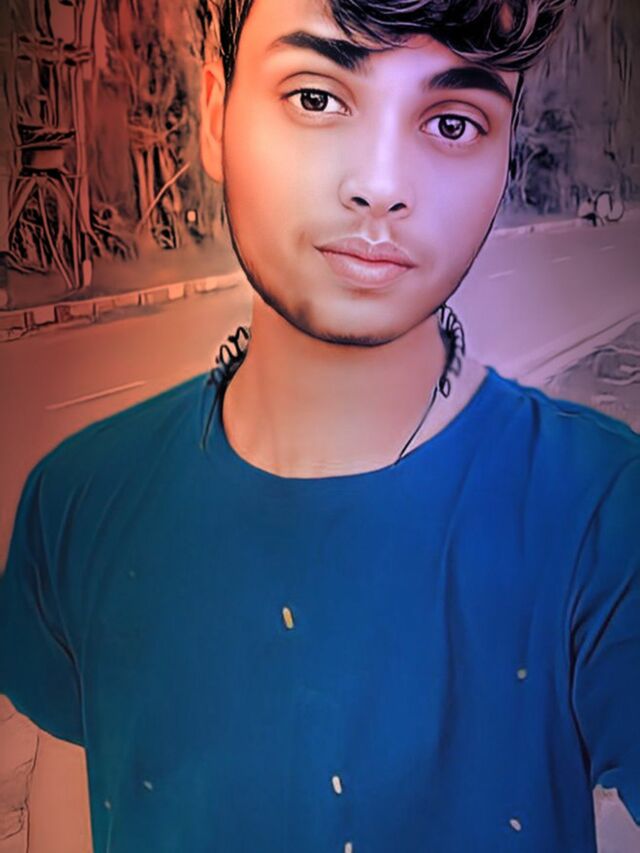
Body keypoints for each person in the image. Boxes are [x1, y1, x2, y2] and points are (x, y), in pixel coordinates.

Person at [1, 0, 638, 850]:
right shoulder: (81, 499)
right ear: (217, 112)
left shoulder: (600, 515)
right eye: (316, 97)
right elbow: (72, 802)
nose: (381, 183)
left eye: (452, 122)